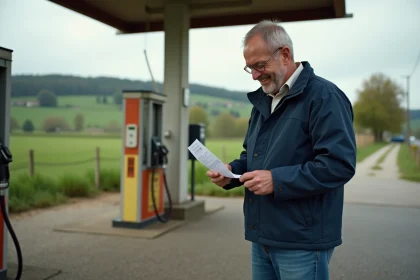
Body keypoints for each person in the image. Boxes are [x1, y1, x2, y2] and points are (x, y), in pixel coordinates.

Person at [206, 20, 356, 280]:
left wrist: (277, 181)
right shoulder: (263, 101)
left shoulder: (324, 97)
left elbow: (338, 165)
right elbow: (253, 156)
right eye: (249, 68)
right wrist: (231, 172)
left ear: (285, 54)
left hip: (302, 240)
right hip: (262, 235)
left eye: (260, 65)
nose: (254, 75)